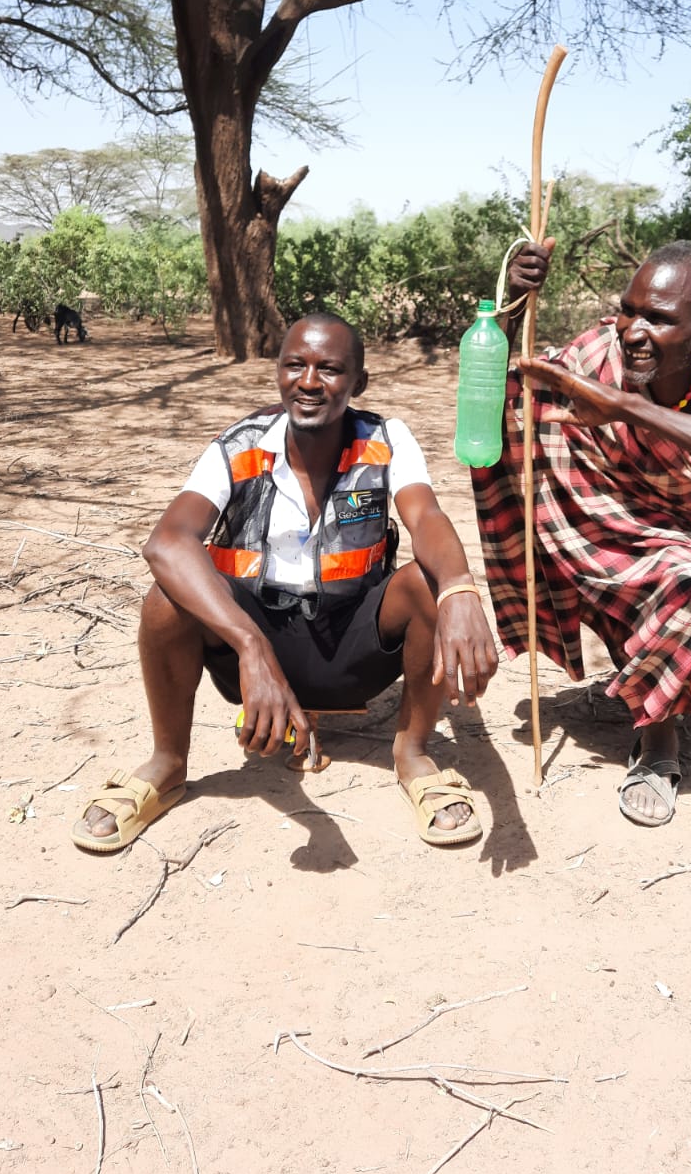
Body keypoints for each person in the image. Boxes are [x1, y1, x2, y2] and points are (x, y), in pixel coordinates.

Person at [73, 312, 498, 853]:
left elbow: (427, 516)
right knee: (166, 597)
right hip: (251, 664)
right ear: (278, 372)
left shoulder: (386, 439)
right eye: (295, 365)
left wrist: (458, 587)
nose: (309, 382)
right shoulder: (239, 444)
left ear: (359, 382)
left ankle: (412, 754)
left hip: (351, 652)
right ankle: (168, 763)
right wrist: (250, 646)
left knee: (428, 582)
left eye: (330, 369)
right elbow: (167, 541)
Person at [472, 239, 691, 828]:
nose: (633, 332)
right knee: (680, 584)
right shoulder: (597, 358)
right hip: (634, 520)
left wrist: (629, 409)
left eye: (659, 318)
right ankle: (657, 741)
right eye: (627, 311)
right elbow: (506, 385)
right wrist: (513, 305)